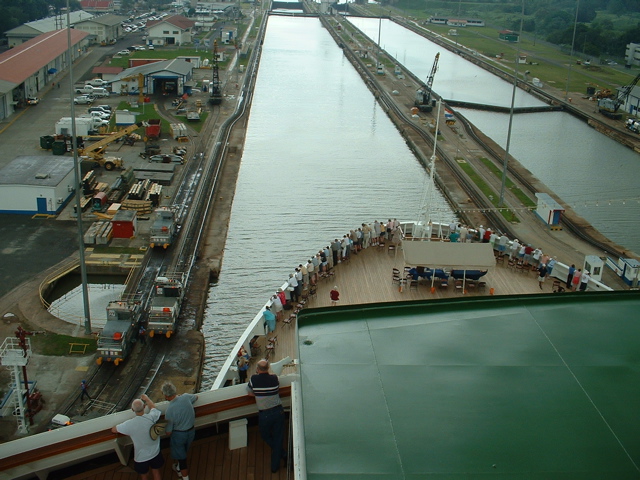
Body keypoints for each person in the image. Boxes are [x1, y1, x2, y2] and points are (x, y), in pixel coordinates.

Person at [112, 394, 164, 480]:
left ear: (132, 410)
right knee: (156, 472)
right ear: (144, 407)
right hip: (155, 452)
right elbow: (153, 407)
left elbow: (114, 430)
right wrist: (147, 398)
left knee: (144, 476)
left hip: (141, 457)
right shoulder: (151, 417)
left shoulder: (130, 424)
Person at [247, 360, 287, 473]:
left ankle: (280, 460)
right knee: (278, 438)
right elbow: (276, 389)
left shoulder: (254, 379)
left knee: (265, 435)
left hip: (265, 414)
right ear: (268, 368)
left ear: (258, 369)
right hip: (278, 411)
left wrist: (259, 394)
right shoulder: (274, 378)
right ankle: (281, 456)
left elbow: (249, 393)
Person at [162, 381, 198, 480]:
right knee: (184, 452)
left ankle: (185, 478)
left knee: (182, 460)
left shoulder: (169, 410)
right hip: (191, 431)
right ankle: (178, 468)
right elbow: (196, 397)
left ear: (166, 396)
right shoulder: (186, 397)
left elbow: (168, 431)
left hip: (179, 435)